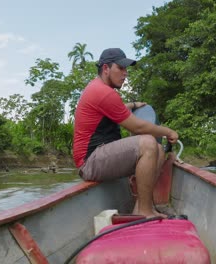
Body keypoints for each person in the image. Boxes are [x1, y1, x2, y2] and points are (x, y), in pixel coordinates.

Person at [73, 48, 178, 218]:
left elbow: (119, 109)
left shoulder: (100, 89)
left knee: (158, 149)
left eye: (126, 69)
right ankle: (145, 211)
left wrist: (135, 104)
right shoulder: (102, 92)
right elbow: (138, 128)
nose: (125, 73)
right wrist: (168, 131)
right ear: (106, 68)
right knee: (148, 143)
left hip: (101, 156)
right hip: (90, 162)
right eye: (120, 68)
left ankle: (141, 207)